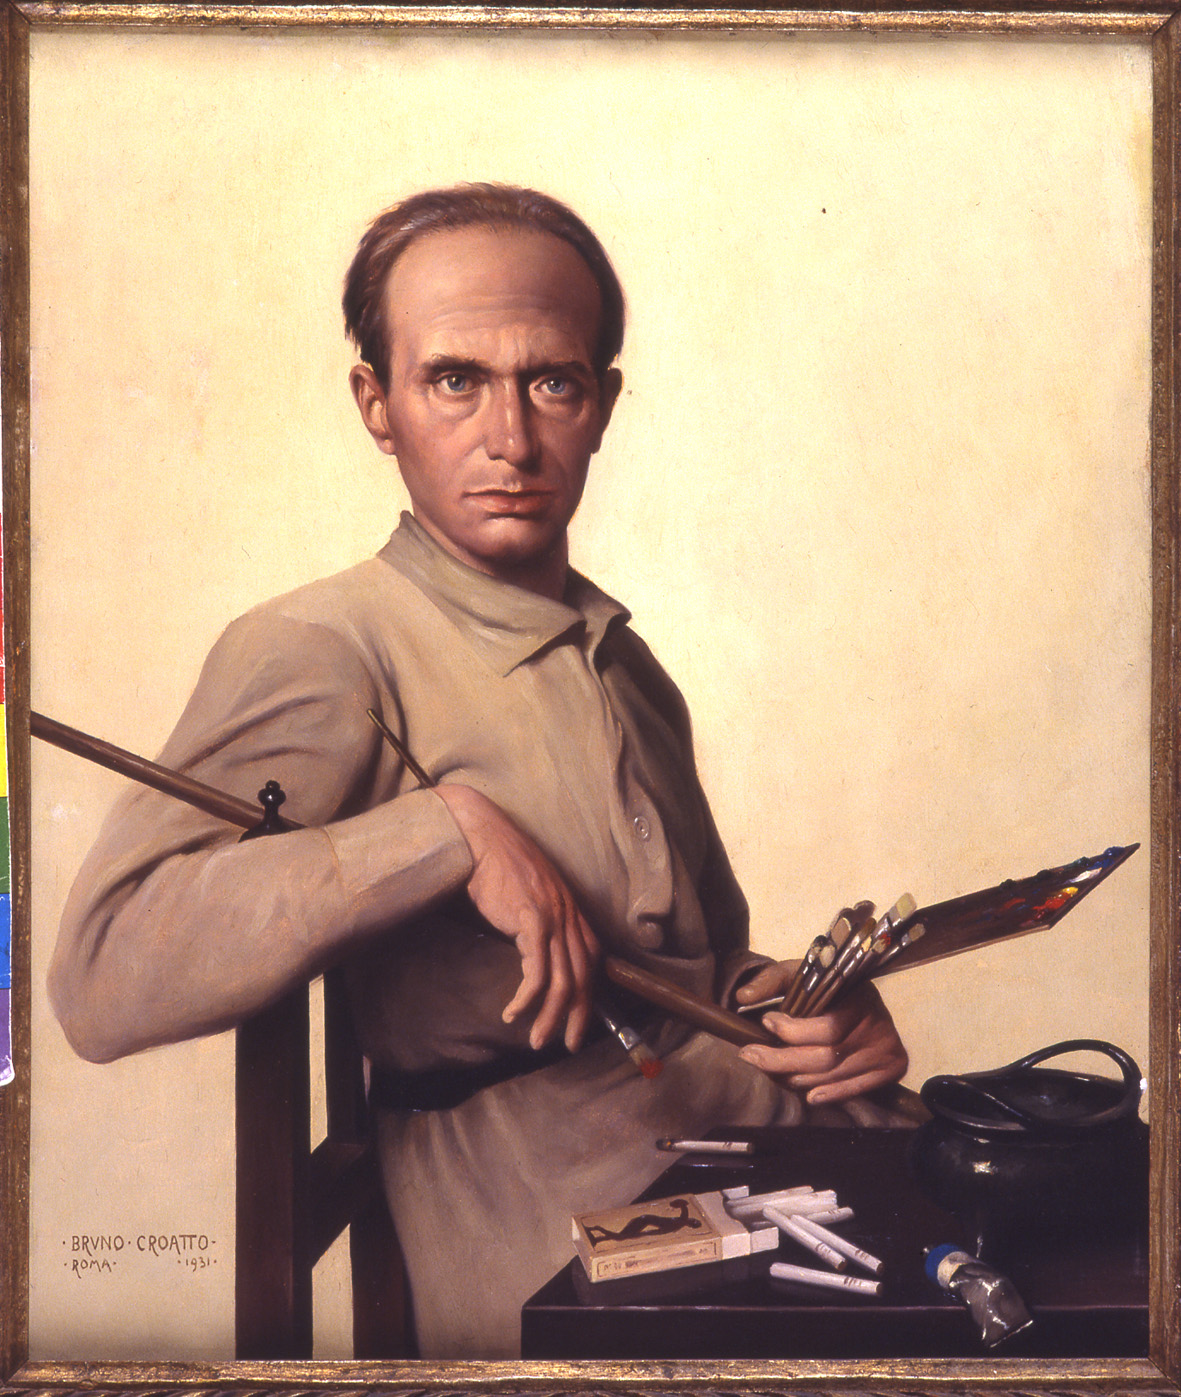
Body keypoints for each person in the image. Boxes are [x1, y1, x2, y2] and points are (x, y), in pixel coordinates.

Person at [48, 184, 908, 1358]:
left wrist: (818, 1018)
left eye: (550, 381)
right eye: (454, 379)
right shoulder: (322, 646)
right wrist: (442, 830)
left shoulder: (627, 663)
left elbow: (697, 971)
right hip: (546, 1225)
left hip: (763, 1150)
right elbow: (101, 975)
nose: (509, 437)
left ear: (601, 405)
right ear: (377, 404)